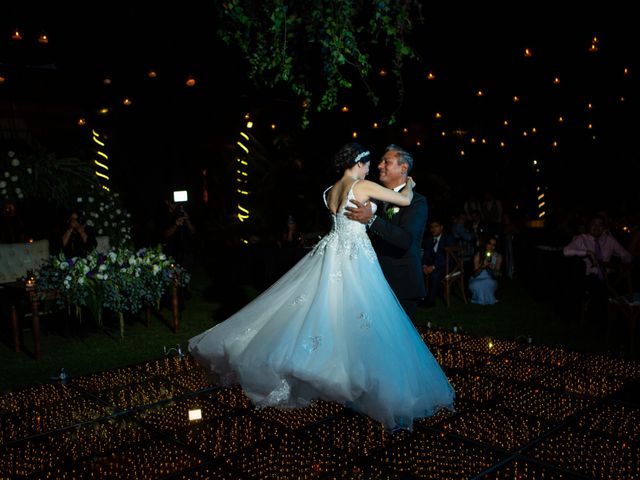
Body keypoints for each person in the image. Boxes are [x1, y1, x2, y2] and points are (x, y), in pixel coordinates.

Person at [189, 142, 454, 432]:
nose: (374, 167)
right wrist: (410, 186)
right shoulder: (363, 186)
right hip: (356, 259)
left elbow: (401, 230)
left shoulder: (329, 192)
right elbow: (403, 200)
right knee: (361, 323)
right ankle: (366, 388)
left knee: (334, 316)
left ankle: (346, 379)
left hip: (336, 253)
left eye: (383, 162)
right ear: (358, 162)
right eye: (370, 163)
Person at [343, 144, 427, 320]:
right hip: (371, 281)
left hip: (401, 284)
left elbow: (405, 240)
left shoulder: (417, 202)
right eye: (380, 161)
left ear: (403, 168)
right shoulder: (374, 198)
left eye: (386, 162)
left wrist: (371, 220)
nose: (379, 165)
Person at [563, 215, 633, 321]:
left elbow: (626, 255)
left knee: (625, 286)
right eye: (594, 224)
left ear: (604, 228)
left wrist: (623, 266)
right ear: (589, 226)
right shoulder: (582, 238)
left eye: (600, 225)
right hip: (591, 277)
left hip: (609, 277)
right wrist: (586, 252)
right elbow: (566, 251)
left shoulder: (609, 239)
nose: (596, 227)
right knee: (600, 288)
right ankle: (597, 320)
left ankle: (621, 320)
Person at [422, 219, 456, 307]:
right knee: (418, 271)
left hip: (448, 266)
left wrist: (433, 267)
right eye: (431, 227)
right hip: (434, 265)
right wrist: (424, 266)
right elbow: (426, 255)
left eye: (436, 226)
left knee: (435, 274)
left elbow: (448, 258)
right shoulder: (429, 240)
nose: (433, 229)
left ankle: (431, 301)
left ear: (441, 227)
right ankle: (421, 297)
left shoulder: (448, 238)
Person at [469, 236, 502, 305]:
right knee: (476, 284)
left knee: (489, 282)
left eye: (493, 245)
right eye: (489, 243)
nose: (491, 246)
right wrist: (482, 266)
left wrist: (493, 269)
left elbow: (497, 275)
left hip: (490, 279)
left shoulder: (498, 256)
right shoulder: (478, 254)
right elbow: (475, 274)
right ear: (486, 244)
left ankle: (483, 299)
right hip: (477, 279)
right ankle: (481, 299)